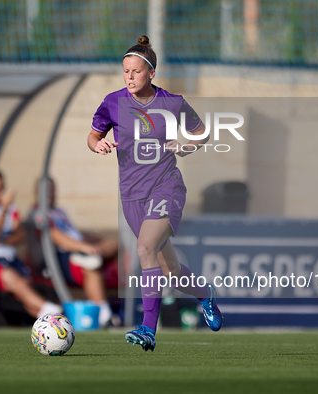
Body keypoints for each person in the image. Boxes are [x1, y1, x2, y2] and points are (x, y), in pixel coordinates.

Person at [87, 35, 223, 351]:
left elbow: (201, 131)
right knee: (171, 271)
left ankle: (148, 329)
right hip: (131, 196)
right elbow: (93, 137)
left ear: (150, 73)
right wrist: (99, 145)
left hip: (166, 186)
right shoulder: (113, 102)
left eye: (136, 71)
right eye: (125, 71)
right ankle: (206, 294)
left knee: (144, 248)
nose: (130, 77)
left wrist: (187, 145)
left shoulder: (171, 103)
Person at [0, 169, 61, 320]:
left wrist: (2, 240)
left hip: (9, 256)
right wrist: (3, 211)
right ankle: (50, 310)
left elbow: (21, 236)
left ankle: (46, 318)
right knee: (13, 279)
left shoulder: (10, 208)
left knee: (25, 284)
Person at [27, 177, 117, 327]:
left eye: (52, 189)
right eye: (46, 190)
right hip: (60, 260)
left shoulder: (60, 211)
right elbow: (55, 236)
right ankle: (105, 316)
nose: (50, 194)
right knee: (91, 263)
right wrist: (83, 247)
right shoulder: (37, 213)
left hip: (81, 250)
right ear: (37, 193)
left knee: (113, 244)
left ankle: (97, 254)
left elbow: (75, 233)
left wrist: (96, 242)